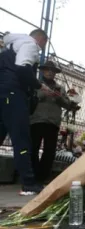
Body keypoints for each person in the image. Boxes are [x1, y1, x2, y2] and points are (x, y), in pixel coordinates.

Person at [0, 29, 55, 194]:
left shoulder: (9, 46)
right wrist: (39, 86)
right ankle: (29, 183)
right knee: (22, 139)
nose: (42, 48)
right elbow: (23, 69)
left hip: (2, 92)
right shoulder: (30, 45)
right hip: (14, 93)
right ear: (41, 39)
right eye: (44, 44)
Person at [30, 61, 79, 184]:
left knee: (50, 151)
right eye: (47, 70)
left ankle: (43, 176)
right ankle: (32, 175)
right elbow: (31, 98)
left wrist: (59, 97)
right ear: (43, 71)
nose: (50, 72)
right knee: (33, 148)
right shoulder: (36, 84)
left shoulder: (60, 88)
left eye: (52, 71)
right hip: (37, 120)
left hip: (53, 122)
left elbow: (68, 104)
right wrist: (43, 92)